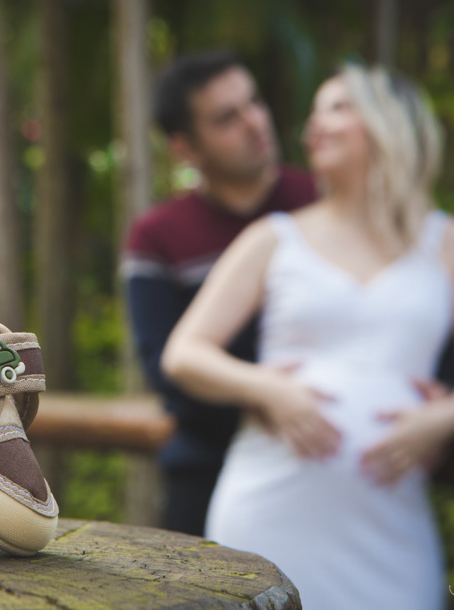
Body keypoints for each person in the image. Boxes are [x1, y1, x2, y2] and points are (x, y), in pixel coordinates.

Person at [161, 63, 454, 609]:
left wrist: (442, 421)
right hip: (267, 509)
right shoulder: (273, 239)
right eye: (314, 113)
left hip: (392, 526)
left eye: (336, 107)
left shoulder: (452, 242)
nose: (312, 127)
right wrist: (267, 389)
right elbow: (185, 353)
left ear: (387, 121)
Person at [122, 50, 317, 536]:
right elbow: (163, 367)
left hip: (329, 456)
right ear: (186, 147)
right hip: (208, 469)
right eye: (227, 117)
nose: (254, 122)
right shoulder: (157, 237)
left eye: (254, 102)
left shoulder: (321, 204)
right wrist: (269, 393)